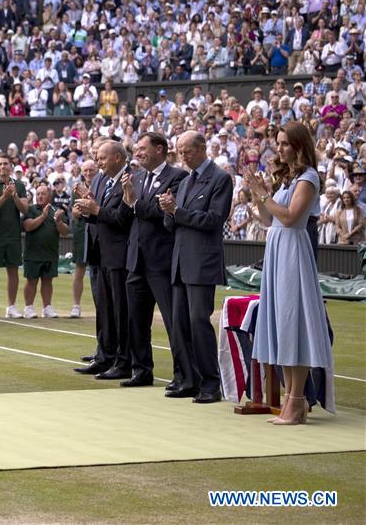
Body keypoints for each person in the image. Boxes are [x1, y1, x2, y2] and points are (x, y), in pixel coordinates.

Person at [245, 122, 335, 424]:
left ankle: (297, 401)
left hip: (294, 255)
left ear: (298, 146)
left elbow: (292, 218)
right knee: (281, 325)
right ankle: (291, 401)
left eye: (285, 144)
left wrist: (263, 195)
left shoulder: (308, 178)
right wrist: (257, 198)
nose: (279, 149)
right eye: (278, 143)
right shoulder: (289, 179)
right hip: (277, 252)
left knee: (293, 324)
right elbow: (271, 219)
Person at [159, 131, 233, 403]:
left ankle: (211, 384)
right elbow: (172, 224)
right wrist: (168, 211)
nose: (182, 156)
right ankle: (189, 380)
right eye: (179, 151)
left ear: (202, 148)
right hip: (180, 260)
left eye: (186, 151)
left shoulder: (220, 179)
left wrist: (176, 212)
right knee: (179, 323)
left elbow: (213, 220)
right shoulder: (186, 180)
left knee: (198, 321)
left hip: (202, 261)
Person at [117, 133, 188, 388]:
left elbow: (162, 212)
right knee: (136, 320)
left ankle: (182, 374)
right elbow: (129, 213)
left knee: (173, 321)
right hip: (136, 260)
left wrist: (134, 203)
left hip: (162, 260)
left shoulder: (177, 177)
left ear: (159, 149)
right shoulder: (136, 178)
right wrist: (128, 202)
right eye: (136, 148)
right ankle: (141, 370)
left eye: (143, 148)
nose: (138, 153)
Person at [73, 141, 133, 380]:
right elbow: (97, 215)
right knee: (104, 309)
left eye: (102, 157)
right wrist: (86, 210)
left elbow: (122, 219)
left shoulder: (130, 180)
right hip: (99, 253)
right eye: (97, 157)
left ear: (118, 157)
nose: (98, 162)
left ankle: (122, 360)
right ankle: (104, 356)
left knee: (120, 310)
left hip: (118, 254)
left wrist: (95, 209)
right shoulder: (99, 180)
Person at [0, 154, 29, 318]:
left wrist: (14, 195)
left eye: (5, 164)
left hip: (13, 235)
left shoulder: (20, 185)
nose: (3, 167)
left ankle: (11, 306)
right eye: (0, 164)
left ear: (10, 166)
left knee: (13, 270)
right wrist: (5, 196)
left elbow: (25, 210)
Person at [21, 183, 69, 318]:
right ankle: (28, 307)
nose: (39, 196)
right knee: (31, 280)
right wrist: (43, 216)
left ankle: (47, 307)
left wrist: (59, 222)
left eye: (43, 194)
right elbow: (28, 226)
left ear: (50, 196)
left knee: (48, 280)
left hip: (50, 253)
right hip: (33, 253)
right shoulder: (30, 209)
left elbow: (65, 231)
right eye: (38, 194)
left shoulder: (57, 210)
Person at [68, 160, 97, 318]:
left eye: (91, 170)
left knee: (99, 270)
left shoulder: (102, 184)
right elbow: (75, 212)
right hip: (81, 231)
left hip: (98, 231)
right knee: (79, 269)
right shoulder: (75, 189)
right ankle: (76, 305)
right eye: (85, 170)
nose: (88, 173)